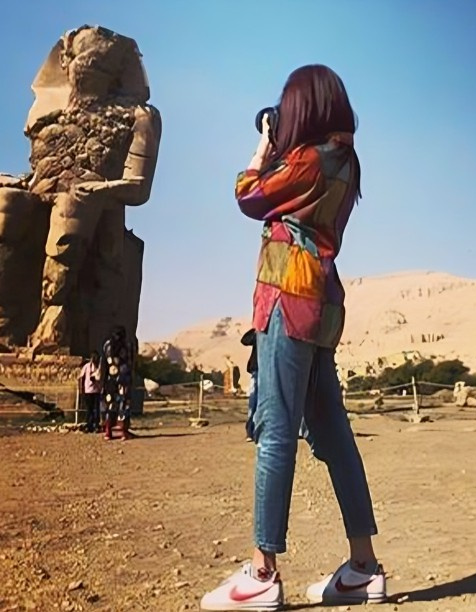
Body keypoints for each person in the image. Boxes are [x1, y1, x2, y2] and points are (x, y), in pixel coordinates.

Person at [200, 65, 384, 611]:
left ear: (304, 107)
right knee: (334, 435)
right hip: (323, 299)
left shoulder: (305, 160)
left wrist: (263, 144)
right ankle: (363, 568)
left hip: (288, 294)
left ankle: (262, 574)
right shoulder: (345, 160)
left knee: (275, 431)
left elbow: (248, 195)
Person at [100, 325, 133, 441]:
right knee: (123, 404)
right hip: (123, 380)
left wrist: (103, 381)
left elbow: (103, 364)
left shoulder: (107, 345)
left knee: (110, 404)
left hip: (110, 380)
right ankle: (123, 432)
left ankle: (108, 432)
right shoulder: (127, 345)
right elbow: (130, 362)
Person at [77, 351, 102, 433]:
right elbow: (81, 377)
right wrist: (81, 389)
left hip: (96, 391)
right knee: (89, 409)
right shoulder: (87, 366)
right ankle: (89, 425)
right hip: (88, 391)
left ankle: (96, 425)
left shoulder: (99, 367)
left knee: (96, 409)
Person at [241, 328, 259, 442]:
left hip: (271, 371)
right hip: (257, 370)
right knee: (254, 401)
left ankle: (260, 432)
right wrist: (256, 329)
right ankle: (250, 431)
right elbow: (245, 340)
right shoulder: (259, 333)